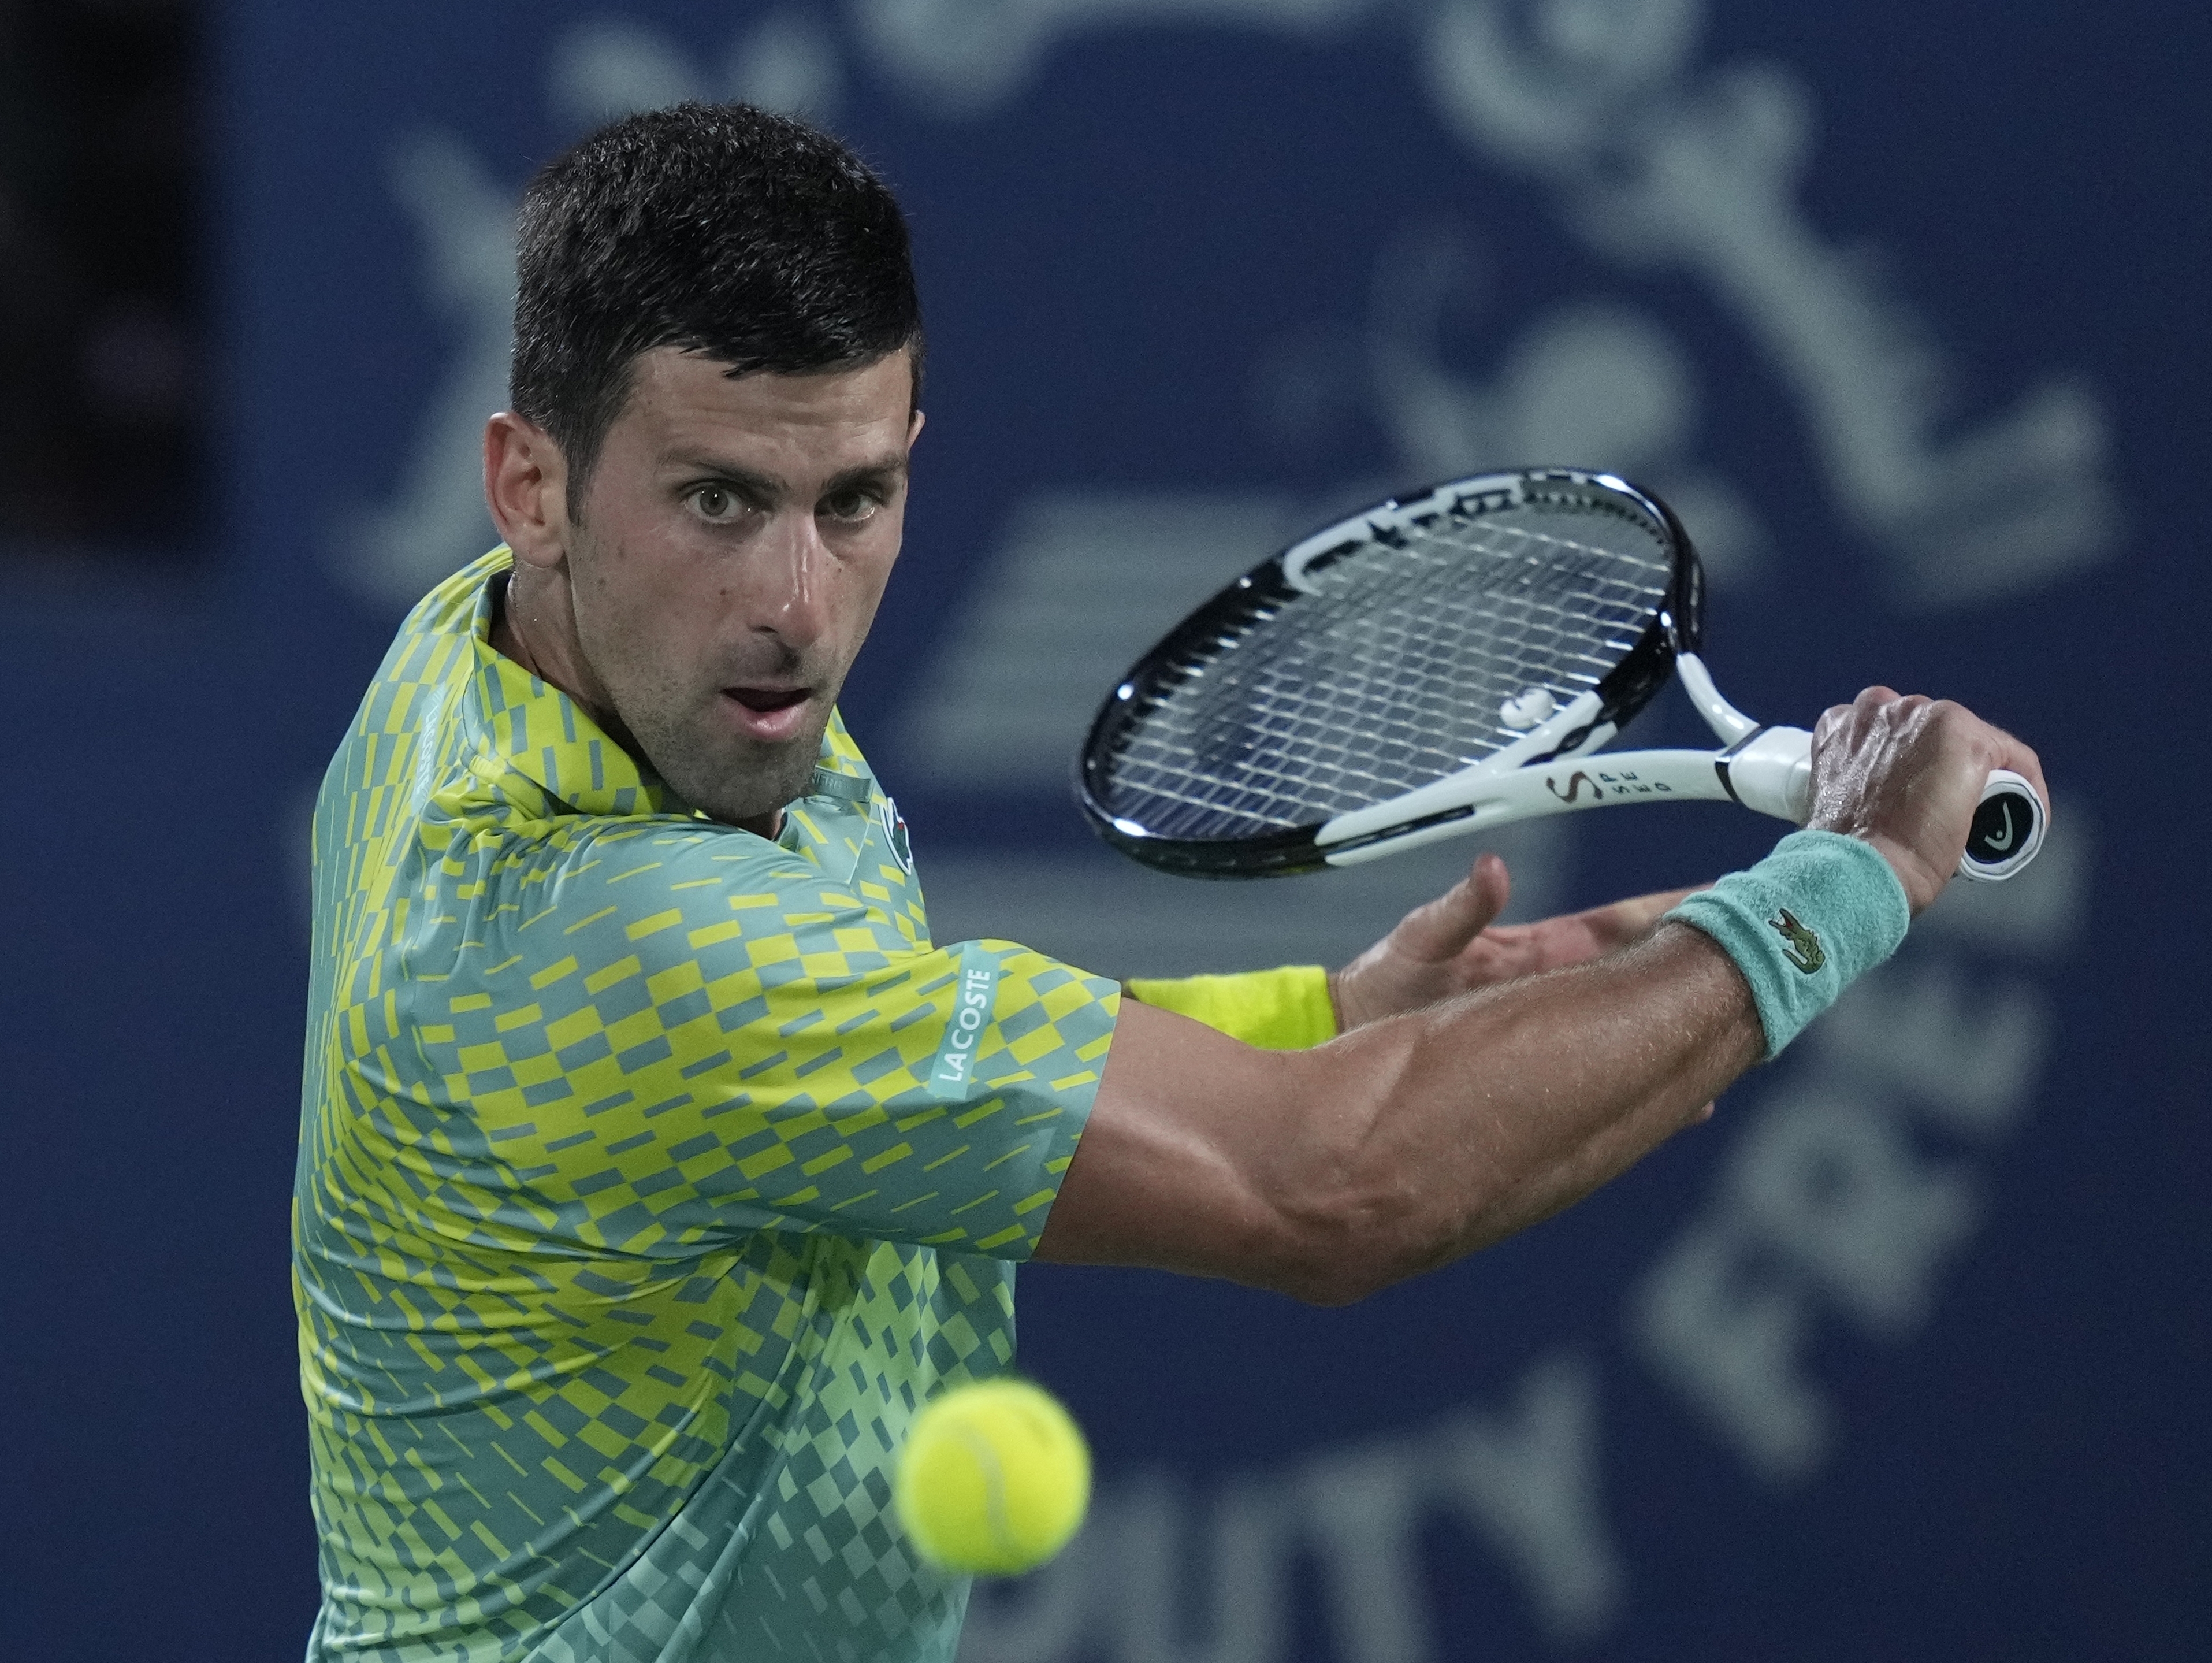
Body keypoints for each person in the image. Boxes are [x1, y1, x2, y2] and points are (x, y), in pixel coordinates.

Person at [293, 103, 2044, 1662]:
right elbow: (1330, 1195)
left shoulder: (480, 660)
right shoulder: (619, 938)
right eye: (721, 501)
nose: (798, 603)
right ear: (532, 482)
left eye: (856, 498)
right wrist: (1848, 881)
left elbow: (856, 1060)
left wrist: (1321, 1014)